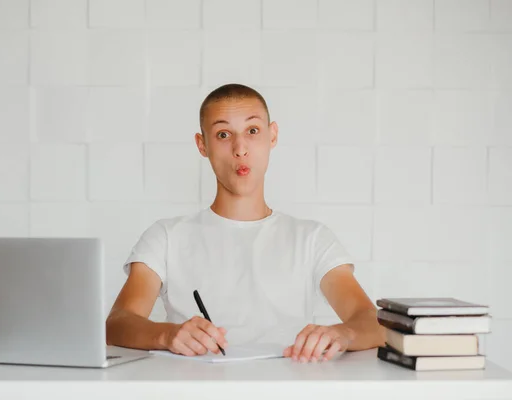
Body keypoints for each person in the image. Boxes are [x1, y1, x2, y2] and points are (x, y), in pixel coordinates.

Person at [106, 83, 385, 363]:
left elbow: (371, 321)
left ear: (272, 136)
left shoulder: (312, 238)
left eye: (252, 131)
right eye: (223, 134)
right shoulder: (165, 236)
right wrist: (166, 335)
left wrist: (343, 334)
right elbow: (117, 323)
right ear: (202, 145)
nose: (240, 149)